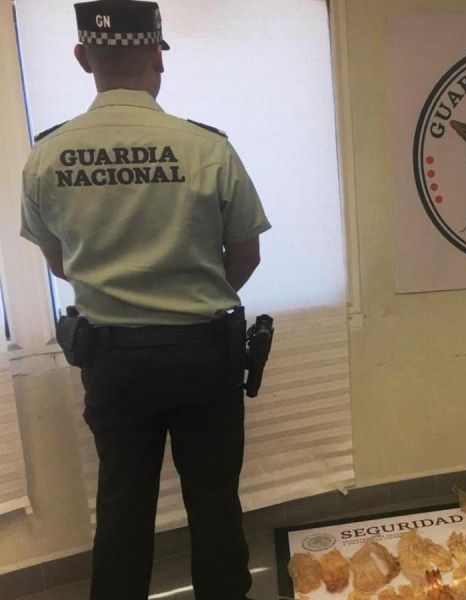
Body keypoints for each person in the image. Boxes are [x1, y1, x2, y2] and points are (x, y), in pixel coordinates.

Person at [19, 1, 270, 598]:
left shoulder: (46, 156)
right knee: (214, 503)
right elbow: (245, 256)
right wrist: (186, 297)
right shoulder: (207, 148)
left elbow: (59, 262)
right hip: (203, 356)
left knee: (122, 507)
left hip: (112, 361)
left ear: (83, 58)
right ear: (158, 55)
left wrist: (123, 294)